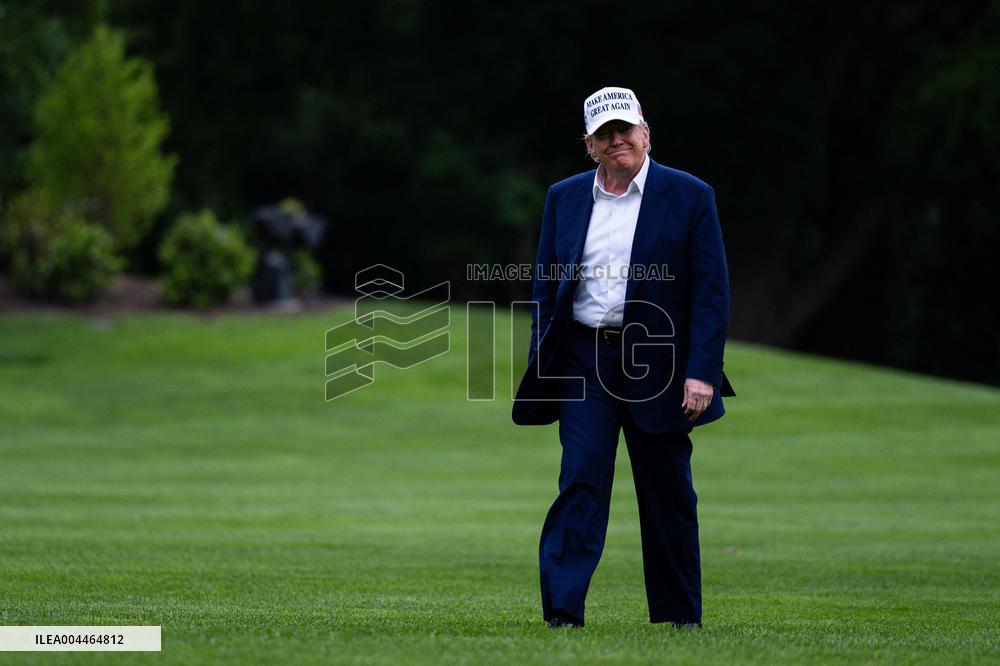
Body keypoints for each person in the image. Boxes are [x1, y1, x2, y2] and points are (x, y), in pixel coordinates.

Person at [512, 86, 734, 629]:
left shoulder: (689, 195)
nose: (618, 140)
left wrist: (701, 372)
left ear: (645, 132)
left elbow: (711, 292)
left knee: (667, 490)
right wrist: (548, 350)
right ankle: (563, 613)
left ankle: (679, 616)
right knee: (581, 479)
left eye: (625, 129)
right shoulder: (564, 197)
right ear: (589, 143)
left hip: (658, 359)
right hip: (584, 359)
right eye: (605, 133)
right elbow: (547, 285)